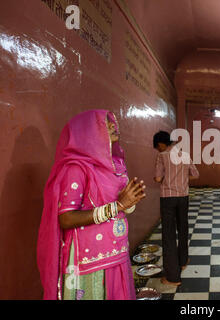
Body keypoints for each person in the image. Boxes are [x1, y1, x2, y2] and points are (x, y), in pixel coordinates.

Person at [37, 110, 147, 300]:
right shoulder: (76, 168)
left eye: (112, 122)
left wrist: (130, 202)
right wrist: (118, 205)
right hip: (90, 261)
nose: (114, 125)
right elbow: (66, 218)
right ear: (88, 132)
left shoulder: (114, 167)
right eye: (106, 122)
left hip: (117, 252)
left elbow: (121, 206)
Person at [153, 130, 199, 286]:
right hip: (183, 197)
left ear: (161, 144)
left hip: (168, 198)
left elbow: (158, 178)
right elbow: (195, 174)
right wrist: (183, 179)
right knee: (183, 227)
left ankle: (173, 277)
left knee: (169, 235)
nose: (158, 149)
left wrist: (165, 179)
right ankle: (183, 260)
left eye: (157, 147)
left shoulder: (162, 156)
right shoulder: (184, 155)